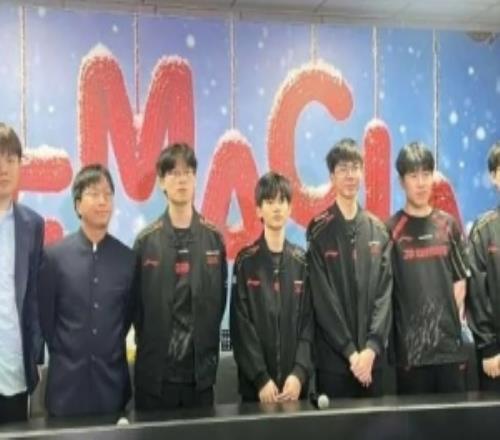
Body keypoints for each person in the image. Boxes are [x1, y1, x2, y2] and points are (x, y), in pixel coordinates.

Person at [133, 143, 227, 410]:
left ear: (195, 179)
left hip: (200, 378)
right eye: (174, 173)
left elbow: (218, 303)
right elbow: (135, 308)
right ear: (162, 182)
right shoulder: (146, 242)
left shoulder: (213, 239)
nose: (182, 179)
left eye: (188, 172)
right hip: (155, 378)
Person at [39, 164, 136, 416]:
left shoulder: (127, 259)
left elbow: (125, 318)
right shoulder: (54, 257)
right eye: (94, 193)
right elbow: (47, 322)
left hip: (112, 388)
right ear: (78, 205)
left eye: (108, 194)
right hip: (65, 390)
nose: (102, 201)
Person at [307, 138, 392, 398]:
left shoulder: (378, 230)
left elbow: (384, 295)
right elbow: (323, 300)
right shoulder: (319, 231)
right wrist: (350, 353)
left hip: (373, 363)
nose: (350, 175)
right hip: (334, 364)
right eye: (343, 169)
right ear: (332, 177)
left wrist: (370, 349)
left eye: (355, 168)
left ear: (362, 173)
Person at [387, 142, 469, 395]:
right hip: (410, 354)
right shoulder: (390, 230)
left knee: (453, 418)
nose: (421, 183)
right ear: (401, 181)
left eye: (426, 174)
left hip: (448, 351)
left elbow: (460, 281)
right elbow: (386, 291)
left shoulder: (448, 225)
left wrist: (444, 323)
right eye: (413, 176)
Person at [230, 172, 313, 403]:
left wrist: (298, 374)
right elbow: (240, 326)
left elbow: (309, 324)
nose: (276, 208)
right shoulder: (245, 262)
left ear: (290, 208)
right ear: (258, 210)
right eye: (269, 201)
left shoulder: (302, 262)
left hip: (295, 390)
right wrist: (261, 378)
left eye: (282, 201)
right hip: (256, 390)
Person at [0, 123, 44, 424]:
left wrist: (36, 355)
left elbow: (34, 298)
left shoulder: (32, 225)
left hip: (13, 369)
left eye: (10, 159)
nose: (3, 168)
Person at [467, 141, 500, 391]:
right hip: (496, 356)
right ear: (493, 177)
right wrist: (489, 347)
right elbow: (477, 292)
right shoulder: (484, 229)